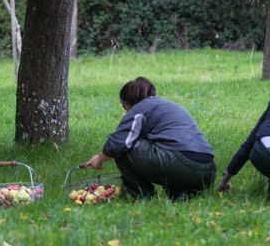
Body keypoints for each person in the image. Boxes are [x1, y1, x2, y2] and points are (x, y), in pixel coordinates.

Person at [83, 77, 216, 201]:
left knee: (125, 149)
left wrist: (100, 158)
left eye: (125, 108)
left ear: (128, 102)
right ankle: (180, 194)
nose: (126, 112)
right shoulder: (167, 105)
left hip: (180, 165)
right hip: (207, 171)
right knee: (157, 148)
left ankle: (143, 197)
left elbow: (118, 143)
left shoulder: (140, 108)